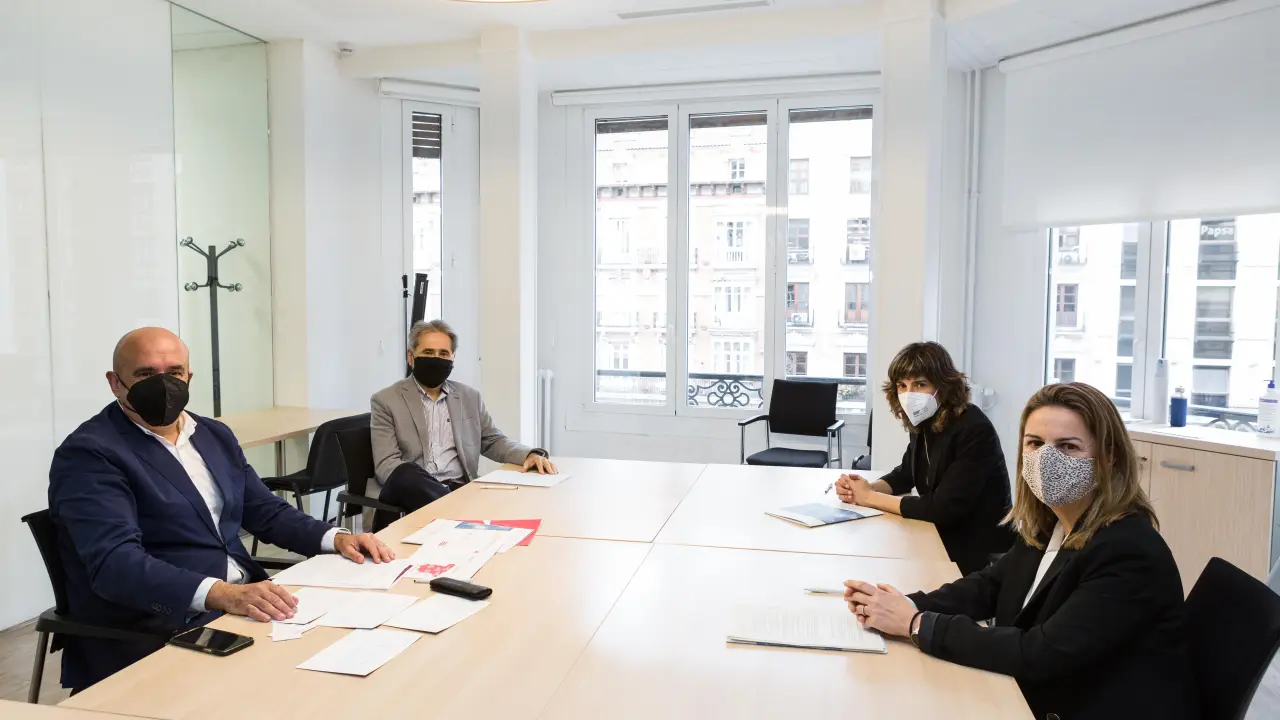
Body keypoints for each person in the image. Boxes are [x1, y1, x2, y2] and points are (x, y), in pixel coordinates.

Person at [48, 328, 394, 691]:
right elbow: (115, 565)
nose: (163, 384)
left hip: (240, 606)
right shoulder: (90, 454)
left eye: (174, 372)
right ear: (115, 383)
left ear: (188, 376)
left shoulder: (212, 434)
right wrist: (224, 594)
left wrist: (334, 538)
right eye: (145, 374)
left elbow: (263, 509)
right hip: (160, 622)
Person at [844, 382, 1198, 720]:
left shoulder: (1128, 550)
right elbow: (991, 585)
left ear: (1109, 457)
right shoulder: (1053, 521)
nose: (1046, 459)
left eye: (1068, 446)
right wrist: (904, 604)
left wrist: (916, 624)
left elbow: (1040, 653)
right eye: (1035, 443)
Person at [834, 342, 1015, 574]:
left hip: (981, 551)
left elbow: (942, 508)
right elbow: (906, 474)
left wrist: (869, 497)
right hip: (943, 535)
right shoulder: (924, 421)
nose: (909, 394)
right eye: (902, 385)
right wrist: (864, 488)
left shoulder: (974, 428)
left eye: (920, 384)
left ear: (944, 386)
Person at [370, 319, 555, 530]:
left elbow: (492, 440)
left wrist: (528, 454)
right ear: (411, 357)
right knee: (406, 472)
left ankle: (461, 516)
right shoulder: (386, 400)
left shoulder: (469, 397)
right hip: (413, 491)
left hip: (460, 487)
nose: (436, 359)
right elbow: (386, 465)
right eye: (428, 352)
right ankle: (463, 515)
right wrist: (430, 488)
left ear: (453, 359)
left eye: (443, 354)